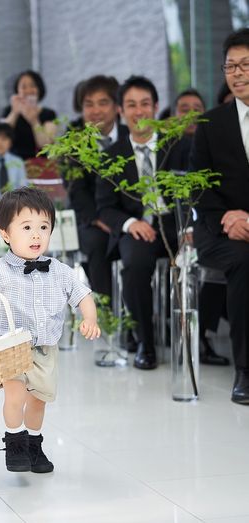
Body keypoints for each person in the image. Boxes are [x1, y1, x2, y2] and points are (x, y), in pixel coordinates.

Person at [0, 187, 100, 473]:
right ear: (6, 234)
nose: (36, 235)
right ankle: (14, 442)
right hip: (11, 347)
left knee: (38, 402)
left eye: (43, 227)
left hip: (45, 349)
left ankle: (34, 444)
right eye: (26, 227)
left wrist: (90, 318)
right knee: (16, 395)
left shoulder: (60, 271)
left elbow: (83, 295)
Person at [95, 75, 188, 370]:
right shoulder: (111, 156)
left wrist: (190, 227)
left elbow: (195, 192)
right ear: (121, 111)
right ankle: (145, 343)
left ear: (156, 107)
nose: (139, 111)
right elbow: (105, 208)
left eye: (145, 104)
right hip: (137, 228)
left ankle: (198, 339)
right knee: (134, 263)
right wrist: (129, 223)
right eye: (131, 105)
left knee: (210, 253)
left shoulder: (180, 146)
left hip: (176, 225)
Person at [190, 28, 249, 404]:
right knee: (244, 259)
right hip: (219, 229)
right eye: (231, 66)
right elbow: (198, 185)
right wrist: (229, 218)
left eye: (245, 65)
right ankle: (245, 369)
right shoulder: (211, 124)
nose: (237, 73)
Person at [172, 88, 230, 366]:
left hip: (212, 221)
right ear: (173, 115)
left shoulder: (218, 144)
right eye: (184, 109)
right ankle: (199, 335)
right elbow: (176, 197)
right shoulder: (169, 149)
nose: (191, 115)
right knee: (213, 260)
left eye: (197, 109)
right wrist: (186, 227)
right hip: (177, 226)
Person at [68, 75, 128, 297]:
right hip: (91, 219)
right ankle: (105, 308)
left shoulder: (130, 136)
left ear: (117, 107)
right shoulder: (74, 143)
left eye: (103, 103)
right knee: (97, 242)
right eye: (89, 104)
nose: (96, 111)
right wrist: (98, 218)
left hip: (128, 215)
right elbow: (76, 190)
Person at [1, 70, 57, 160]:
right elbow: (1, 137)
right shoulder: (8, 111)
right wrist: (14, 113)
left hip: (39, 164)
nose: (28, 90)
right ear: (17, 90)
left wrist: (34, 121)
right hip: (13, 163)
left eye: (33, 86)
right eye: (23, 87)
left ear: (39, 89)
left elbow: (46, 145)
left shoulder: (48, 114)